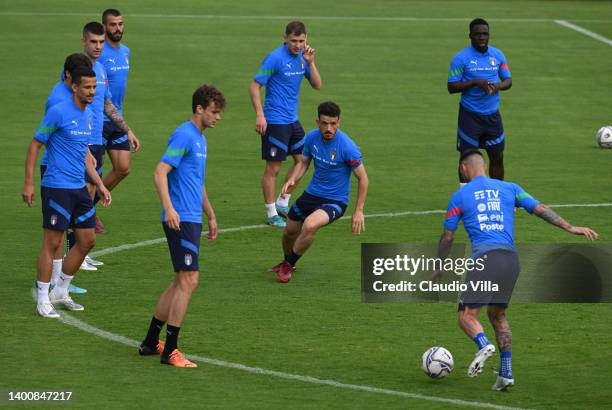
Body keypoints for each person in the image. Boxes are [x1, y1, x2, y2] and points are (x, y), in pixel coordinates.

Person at [435, 149, 598, 390]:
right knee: (498, 315)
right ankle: (506, 374)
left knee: (466, 317)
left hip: (486, 259)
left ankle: (483, 344)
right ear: (486, 167)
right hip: (511, 261)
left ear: (463, 169)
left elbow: (448, 237)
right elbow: (540, 209)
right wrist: (569, 227)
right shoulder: (510, 188)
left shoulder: (460, 196)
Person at [138, 85, 226, 368]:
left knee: (180, 281)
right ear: (199, 108)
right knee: (190, 280)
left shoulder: (200, 139)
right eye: (214, 112)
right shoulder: (185, 134)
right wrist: (170, 208)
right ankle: (171, 350)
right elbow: (160, 171)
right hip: (181, 219)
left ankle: (151, 342)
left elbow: (196, 182)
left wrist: (211, 215)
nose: (218, 117)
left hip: (192, 218)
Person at [22, 67, 112, 318]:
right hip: (57, 187)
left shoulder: (88, 116)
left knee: (87, 241)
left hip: (79, 188)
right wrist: (29, 182)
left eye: (94, 87)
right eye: (87, 87)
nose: (92, 92)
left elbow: (84, 156)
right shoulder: (59, 112)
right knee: (52, 244)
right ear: (75, 87)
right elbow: (35, 145)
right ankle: (42, 299)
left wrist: (101, 185)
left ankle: (60, 291)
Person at [268, 102, 368, 283]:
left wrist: (358, 210)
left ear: (339, 122)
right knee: (289, 231)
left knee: (310, 225)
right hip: (312, 195)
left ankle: (288, 265)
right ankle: (287, 261)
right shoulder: (312, 138)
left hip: (335, 201)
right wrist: (293, 179)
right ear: (317, 122)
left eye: (333, 124)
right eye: (324, 123)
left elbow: (363, 178)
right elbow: (304, 162)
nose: (328, 128)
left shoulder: (347, 146)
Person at [66, 21, 140, 267]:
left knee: (86, 197)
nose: (98, 46)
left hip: (97, 139)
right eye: (93, 42)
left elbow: (108, 104)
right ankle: (72, 254)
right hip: (82, 141)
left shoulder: (100, 70)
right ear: (84, 42)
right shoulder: (74, 73)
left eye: (100, 42)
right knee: (81, 198)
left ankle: (78, 253)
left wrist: (127, 129)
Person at [249, 21, 322, 228]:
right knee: (273, 168)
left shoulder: (303, 57)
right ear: (285, 38)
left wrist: (311, 62)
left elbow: (317, 85)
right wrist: (260, 115)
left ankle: (283, 202)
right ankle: (272, 213)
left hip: (292, 120)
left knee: (304, 160)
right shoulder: (275, 58)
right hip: (274, 121)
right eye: (293, 41)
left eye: (301, 41)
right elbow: (254, 86)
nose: (297, 45)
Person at [40, 53, 93, 293]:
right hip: (56, 172)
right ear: (71, 78)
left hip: (74, 173)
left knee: (79, 237)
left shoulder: (84, 107)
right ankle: (49, 285)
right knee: (56, 238)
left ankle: (59, 286)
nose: (91, 90)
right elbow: (42, 141)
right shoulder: (58, 102)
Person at [448, 18, 511, 183]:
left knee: (497, 156)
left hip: (492, 116)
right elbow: (452, 86)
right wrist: (476, 82)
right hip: (470, 116)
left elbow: (508, 81)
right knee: (467, 160)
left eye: (485, 34)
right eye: (477, 34)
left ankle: (497, 196)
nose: (482, 37)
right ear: (470, 36)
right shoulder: (461, 58)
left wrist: (497, 87)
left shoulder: (497, 55)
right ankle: (466, 199)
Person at [100, 9, 136, 195]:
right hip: (99, 120)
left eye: (120, 24)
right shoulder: (99, 53)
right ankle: (84, 215)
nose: (117, 28)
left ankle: (88, 206)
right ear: (104, 27)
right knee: (94, 171)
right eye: (113, 24)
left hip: (117, 118)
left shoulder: (126, 52)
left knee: (123, 168)